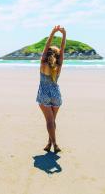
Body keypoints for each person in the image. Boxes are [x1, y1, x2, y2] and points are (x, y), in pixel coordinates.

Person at [36, 25, 66, 153]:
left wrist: (53, 32)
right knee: (52, 121)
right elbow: (62, 50)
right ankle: (49, 143)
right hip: (56, 94)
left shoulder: (43, 64)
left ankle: (55, 144)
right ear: (58, 56)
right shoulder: (58, 66)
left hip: (44, 93)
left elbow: (45, 47)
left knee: (49, 121)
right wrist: (64, 35)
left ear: (47, 53)